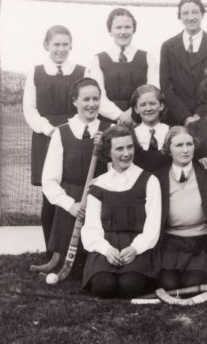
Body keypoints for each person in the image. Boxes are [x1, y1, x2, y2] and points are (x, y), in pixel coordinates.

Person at [23, 25, 86, 255]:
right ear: (47, 45)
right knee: (50, 197)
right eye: (56, 44)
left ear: (71, 45)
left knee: (73, 192)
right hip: (46, 137)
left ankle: (75, 251)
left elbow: (87, 103)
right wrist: (48, 129)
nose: (61, 49)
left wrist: (72, 130)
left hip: (74, 136)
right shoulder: (36, 71)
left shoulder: (81, 70)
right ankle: (52, 252)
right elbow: (29, 109)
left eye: (65, 44)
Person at [81, 126, 161, 298]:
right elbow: (91, 228)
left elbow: (153, 226)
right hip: (106, 247)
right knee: (103, 287)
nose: (126, 153)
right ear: (108, 152)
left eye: (130, 147)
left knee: (130, 286)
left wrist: (135, 248)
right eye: (119, 148)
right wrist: (106, 250)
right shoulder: (98, 184)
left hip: (137, 246)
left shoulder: (149, 181)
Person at [42, 77, 110, 277]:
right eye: (86, 99)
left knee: (98, 266)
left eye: (95, 99)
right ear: (75, 101)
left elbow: (121, 171)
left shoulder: (111, 130)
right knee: (74, 272)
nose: (91, 104)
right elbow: (49, 180)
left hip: (102, 202)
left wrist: (107, 148)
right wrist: (71, 205)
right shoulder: (61, 133)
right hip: (73, 205)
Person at [155, 126, 207, 290]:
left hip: (203, 242)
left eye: (189, 144)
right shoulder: (158, 177)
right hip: (171, 243)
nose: (185, 150)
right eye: (179, 145)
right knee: (169, 285)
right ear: (169, 150)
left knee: (191, 283)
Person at [160, 0, 207, 127]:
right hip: (177, 119)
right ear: (179, 17)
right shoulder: (168, 47)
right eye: (185, 13)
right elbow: (166, 87)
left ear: (202, 14)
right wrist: (185, 117)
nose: (190, 17)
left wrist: (199, 115)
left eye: (195, 12)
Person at [88, 8, 159, 126]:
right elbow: (98, 96)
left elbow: (154, 91)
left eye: (127, 27)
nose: (123, 32)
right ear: (110, 30)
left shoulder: (147, 57)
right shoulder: (98, 60)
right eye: (118, 27)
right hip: (109, 122)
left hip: (142, 120)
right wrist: (120, 116)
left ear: (133, 29)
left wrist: (133, 114)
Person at [130, 84, 172, 172]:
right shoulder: (129, 135)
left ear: (161, 106)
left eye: (152, 103)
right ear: (136, 109)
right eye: (142, 105)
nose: (148, 108)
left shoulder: (172, 132)